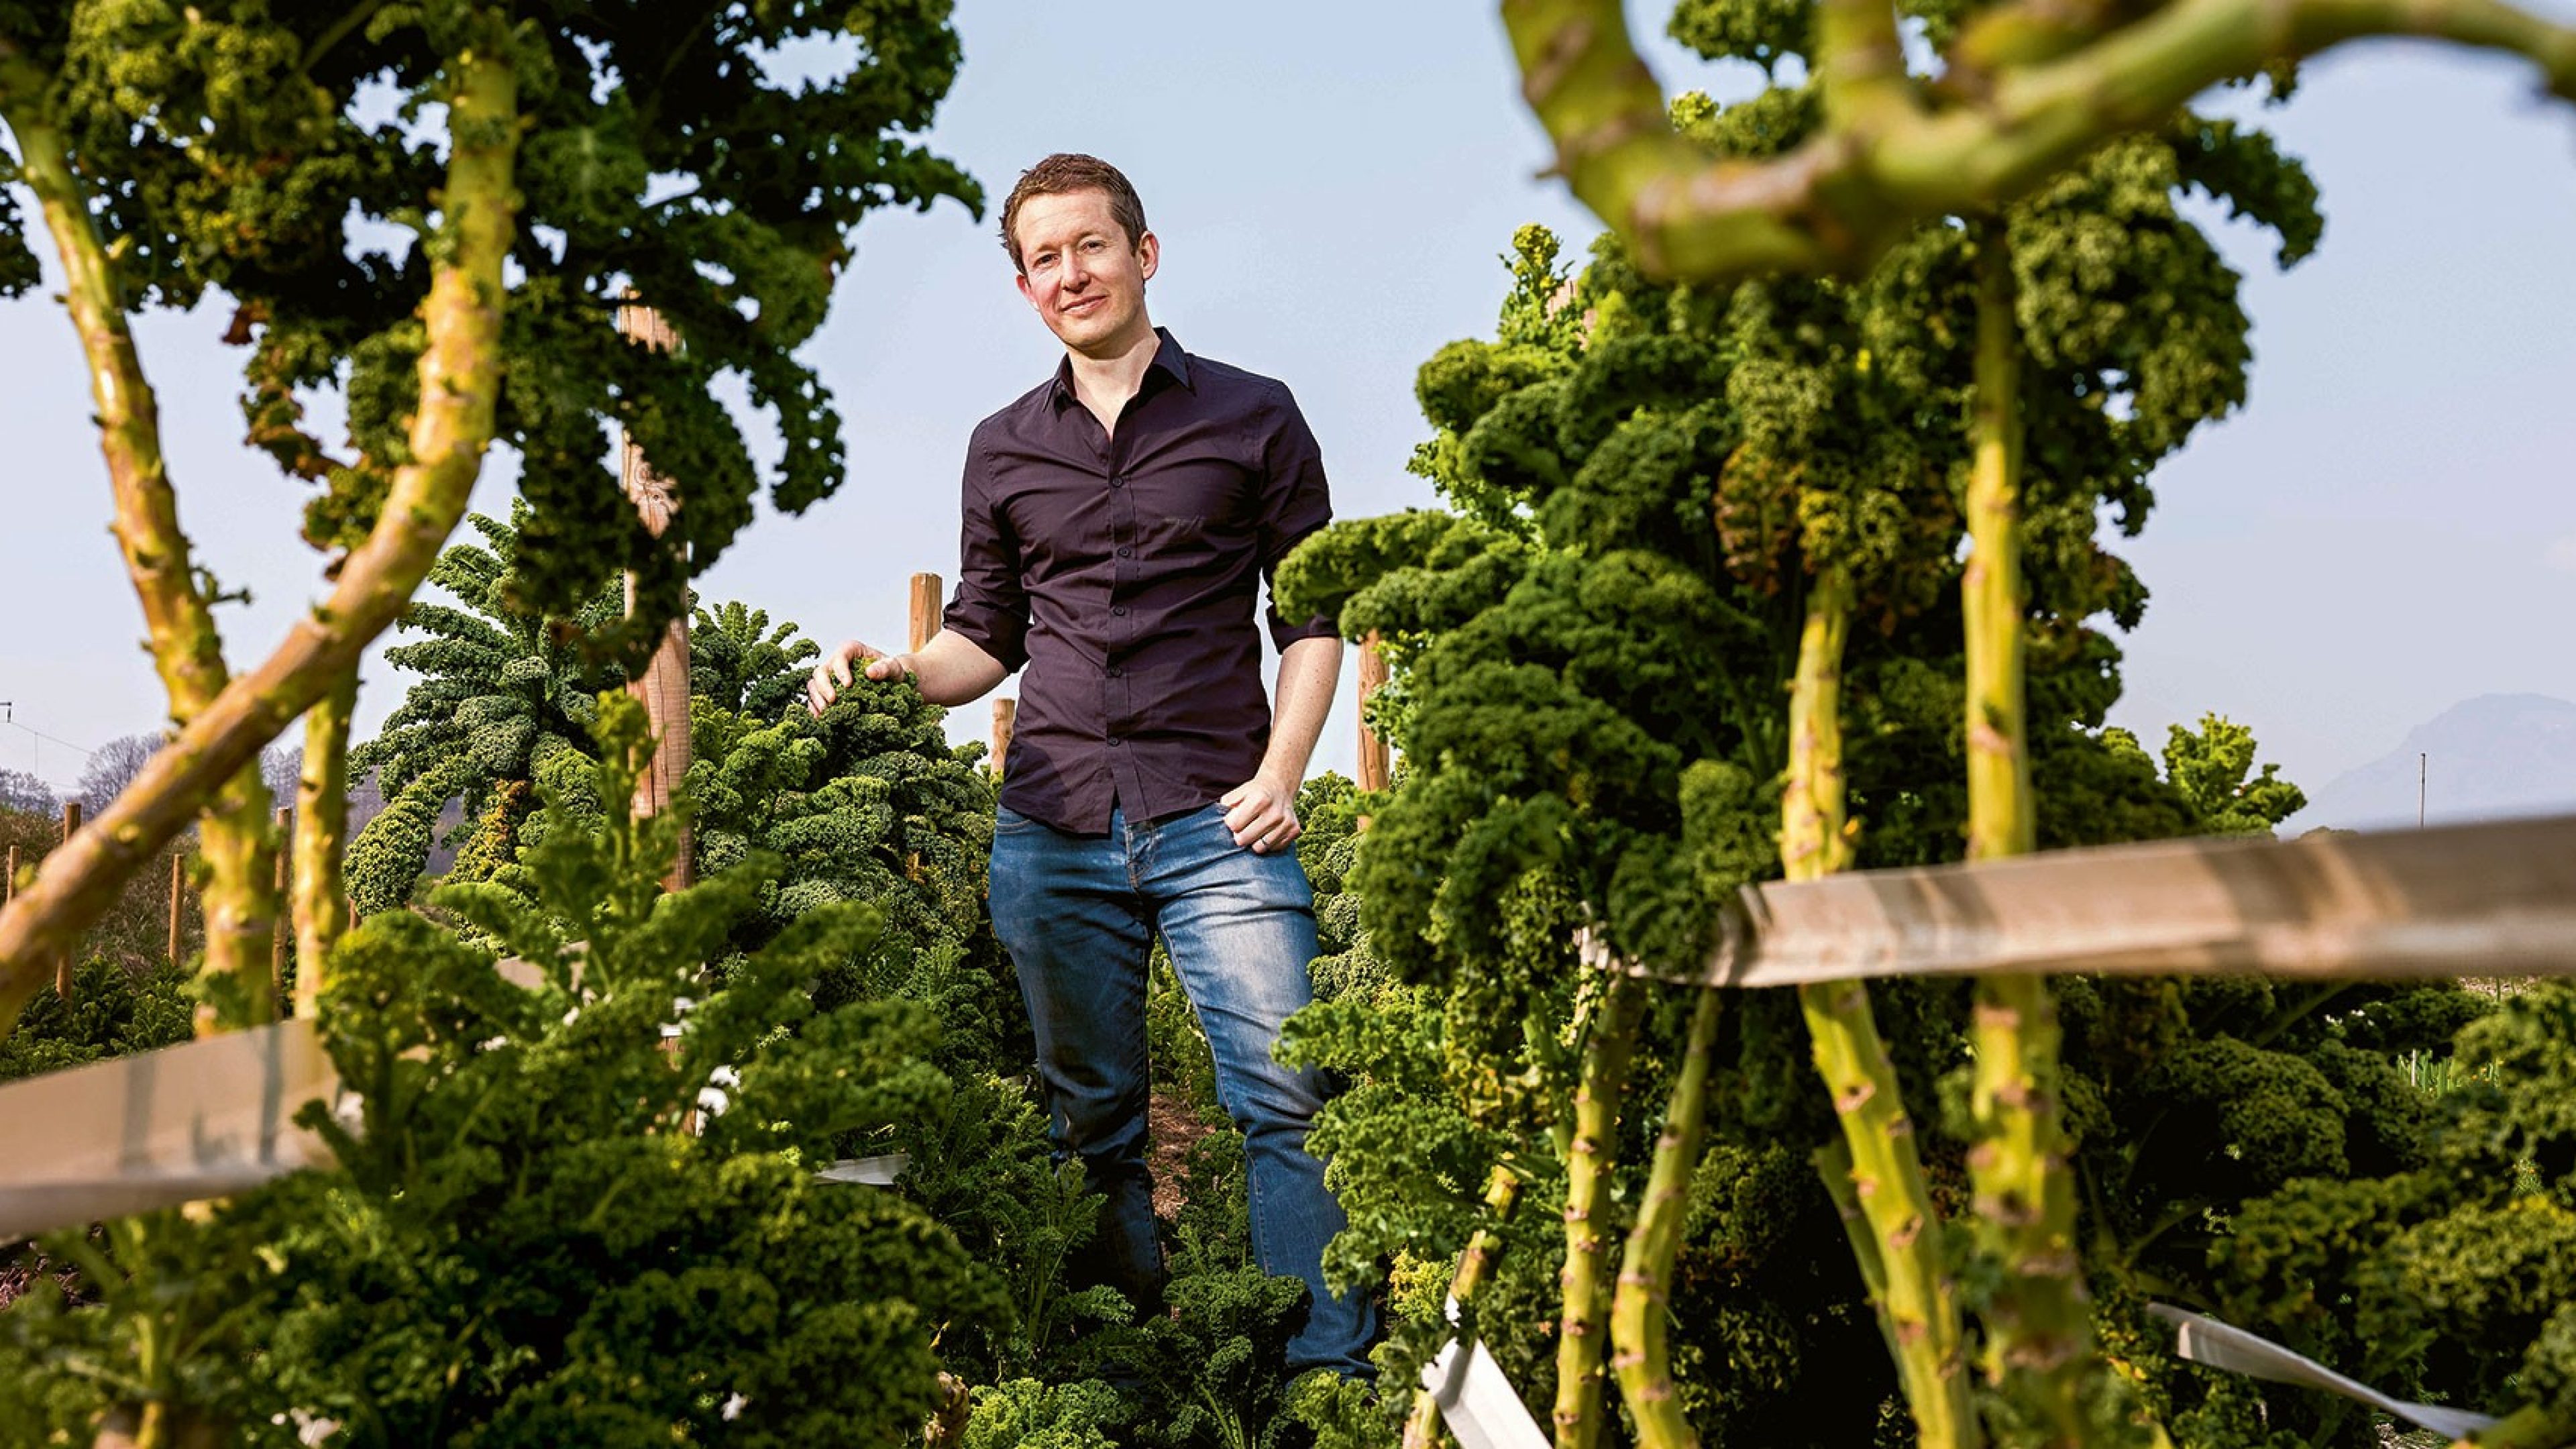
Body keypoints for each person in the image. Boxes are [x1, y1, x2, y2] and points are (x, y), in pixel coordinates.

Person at [804, 153, 1374, 1379]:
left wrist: (1284, 772)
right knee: (1094, 1125)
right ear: (1025, 288)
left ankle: (1325, 1376)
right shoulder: (1002, 447)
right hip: (1052, 828)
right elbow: (985, 638)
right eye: (1044, 259)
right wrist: (892, 671)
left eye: (1090, 247)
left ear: (1144, 254)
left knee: (1289, 1095)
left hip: (1222, 816)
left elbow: (1314, 618)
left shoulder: (1254, 414)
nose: (1071, 274)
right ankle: (1130, 1367)